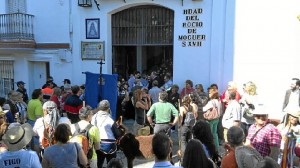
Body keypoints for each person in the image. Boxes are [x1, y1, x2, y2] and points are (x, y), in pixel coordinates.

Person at [91, 100, 118, 168]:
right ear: (108, 108)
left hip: (97, 143)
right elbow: (117, 134)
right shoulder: (110, 120)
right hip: (110, 144)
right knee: (111, 164)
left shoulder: (93, 117)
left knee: (98, 163)